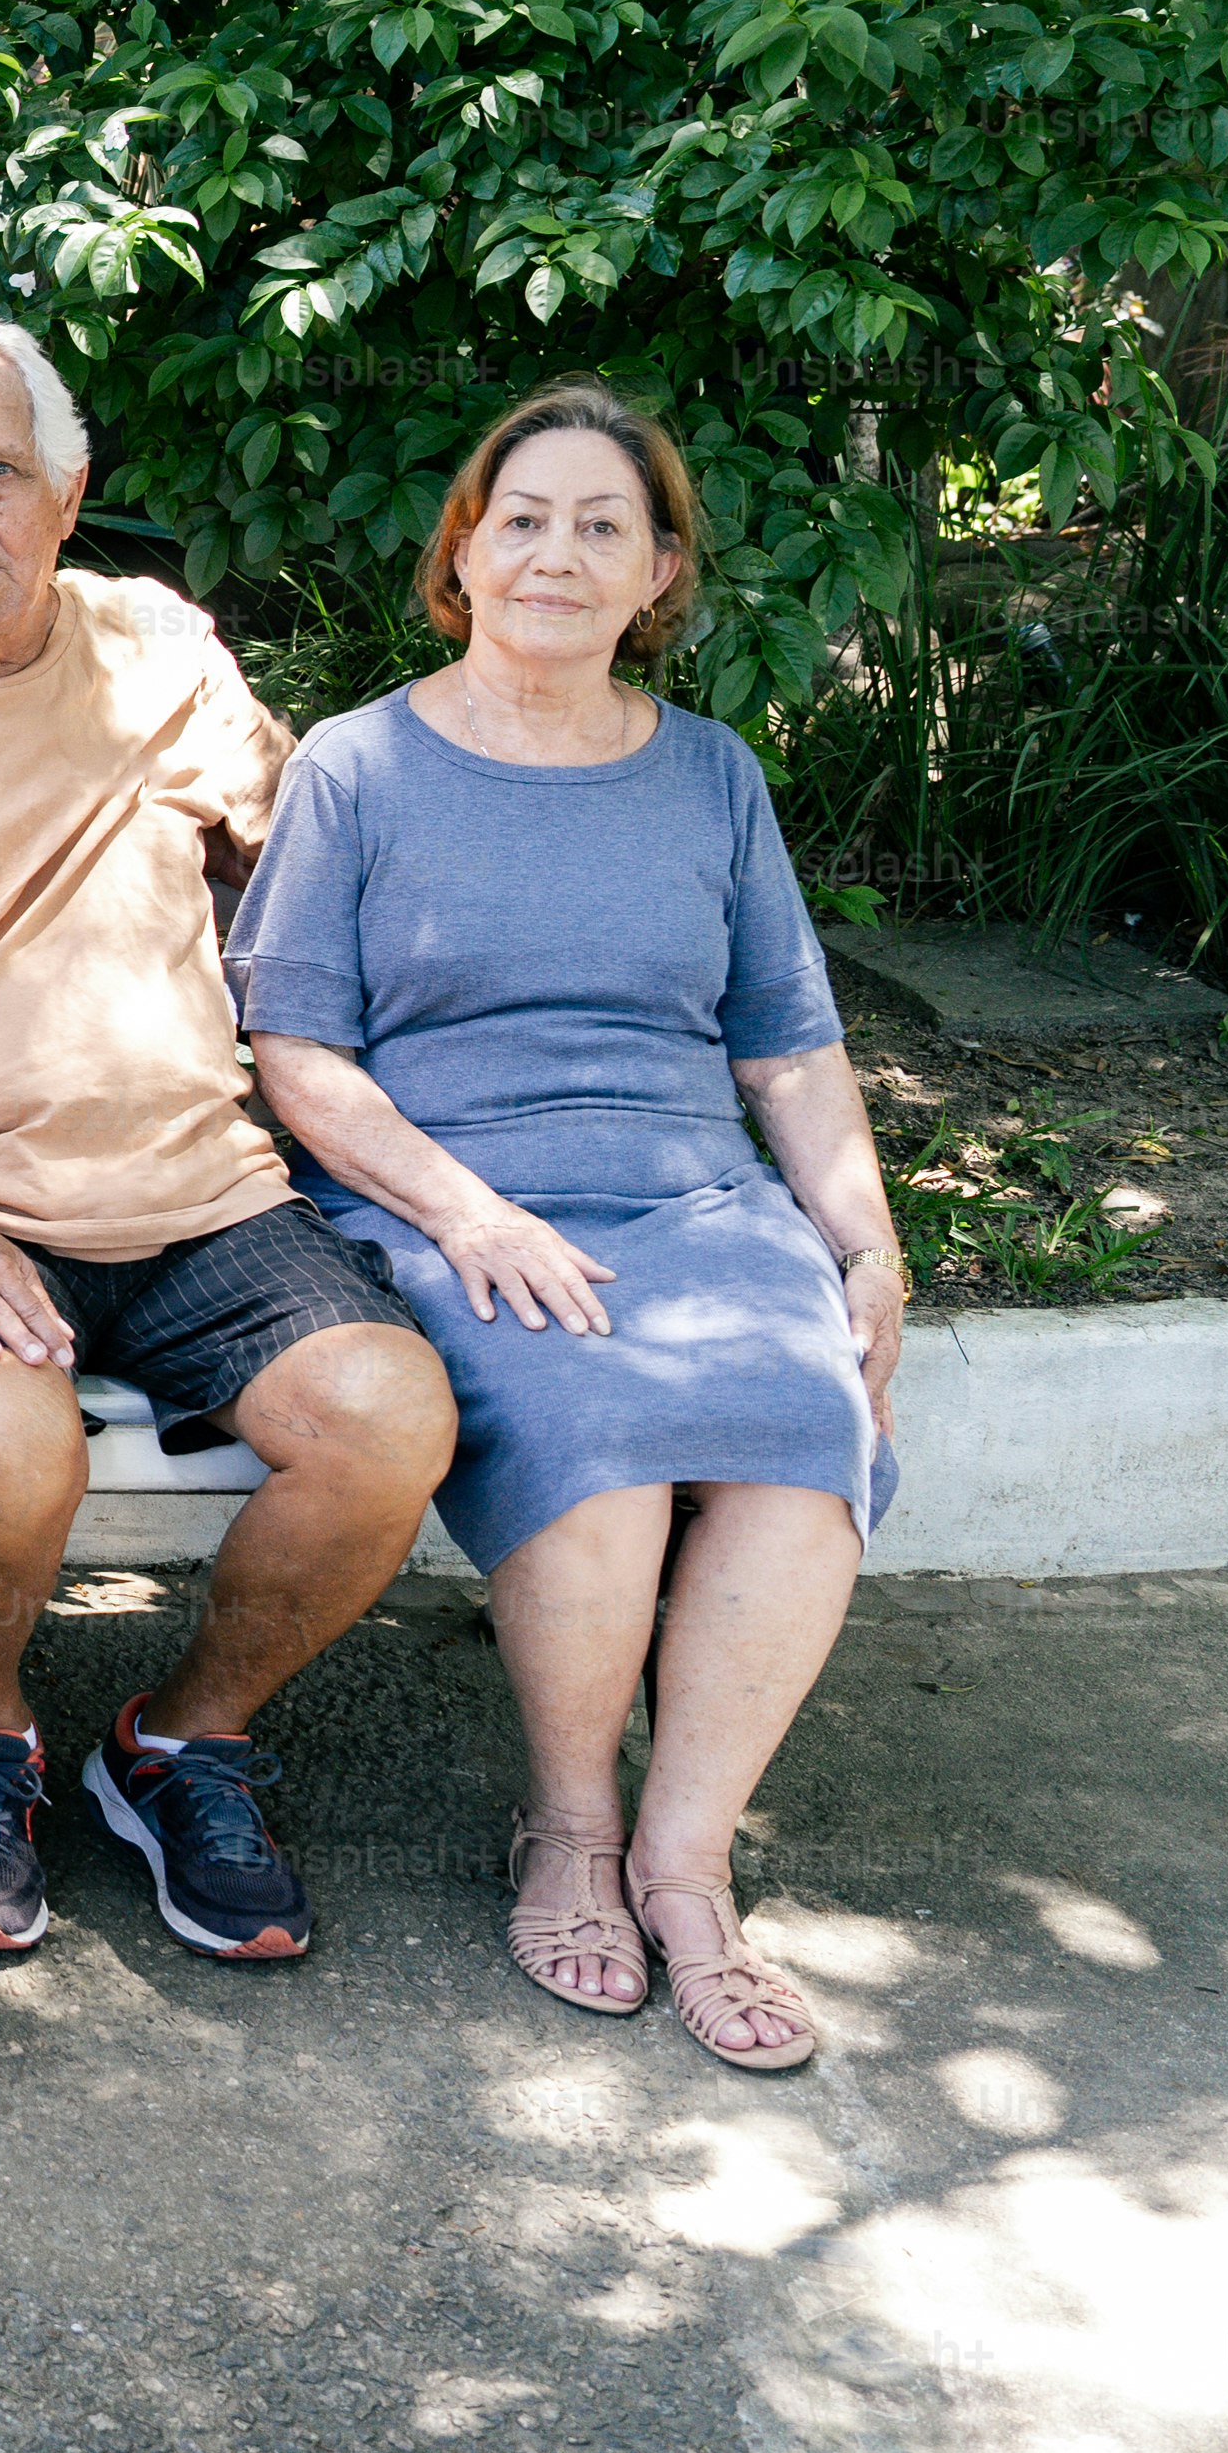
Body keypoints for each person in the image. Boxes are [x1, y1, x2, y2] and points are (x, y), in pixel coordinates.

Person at [0, 311, 456, 1970]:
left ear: (67, 489)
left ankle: (183, 1734)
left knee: (390, 1417)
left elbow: (306, 888)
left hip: (207, 1193)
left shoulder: (161, 649)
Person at [227, 381, 905, 2071]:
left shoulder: (711, 775)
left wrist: (867, 1235)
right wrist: (469, 1211)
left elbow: (792, 1049)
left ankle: (687, 1871)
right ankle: (572, 1829)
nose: (558, 551)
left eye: (605, 524)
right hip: (445, 1194)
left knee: (808, 1418)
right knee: (595, 1420)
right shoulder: (357, 766)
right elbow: (296, 1053)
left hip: (689, 1191)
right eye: (523, 516)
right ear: (466, 546)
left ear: (658, 570)